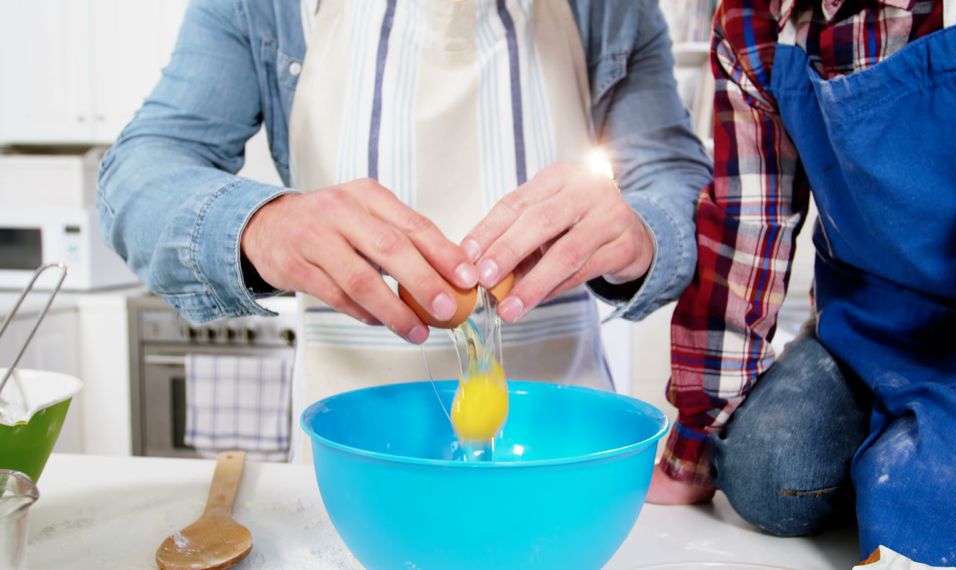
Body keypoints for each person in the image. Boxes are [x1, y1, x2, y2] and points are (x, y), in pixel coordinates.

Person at [97, 0, 710, 458]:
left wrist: (640, 232)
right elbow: (138, 175)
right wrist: (266, 225)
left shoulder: (611, 9)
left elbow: (680, 182)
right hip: (347, 460)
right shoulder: (263, 8)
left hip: (564, 454)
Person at [648, 0, 956, 567]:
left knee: (935, 518)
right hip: (862, 328)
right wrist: (697, 444)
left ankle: (935, 457)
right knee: (760, 473)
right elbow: (745, 226)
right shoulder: (750, 20)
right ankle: (904, 442)